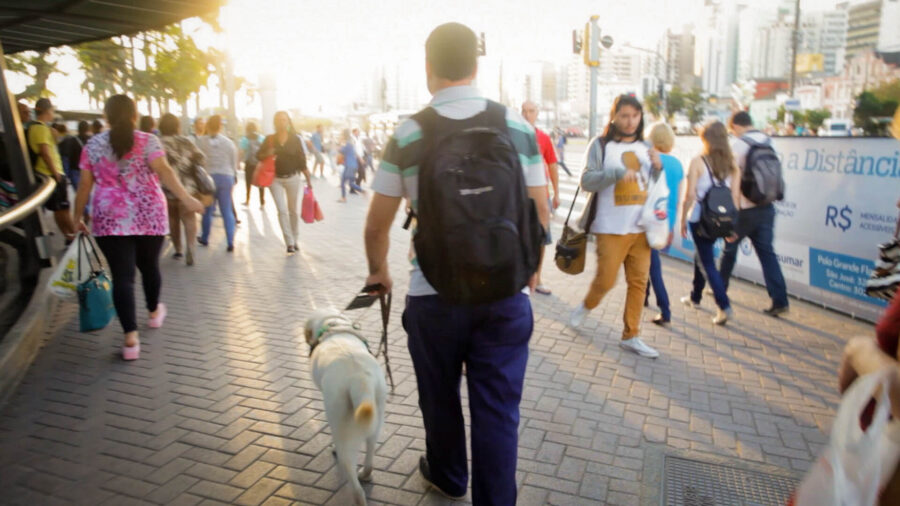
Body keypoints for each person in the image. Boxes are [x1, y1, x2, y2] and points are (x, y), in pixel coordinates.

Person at [363, 22, 549, 505]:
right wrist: (532, 269)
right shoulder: (516, 125)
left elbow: (377, 225)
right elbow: (540, 209)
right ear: (475, 65)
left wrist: (378, 271)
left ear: (428, 68)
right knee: (498, 411)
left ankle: (447, 475)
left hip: (433, 292)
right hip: (506, 292)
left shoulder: (409, 132)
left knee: (439, 396)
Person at [72, 94, 203, 360]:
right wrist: (186, 198)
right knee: (149, 267)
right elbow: (165, 171)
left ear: (106, 117)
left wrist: (78, 217)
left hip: (109, 217)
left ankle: (130, 340)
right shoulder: (147, 140)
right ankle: (154, 312)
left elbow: (84, 185)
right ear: (134, 115)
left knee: (122, 277)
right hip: (149, 215)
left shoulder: (93, 145)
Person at [568, 94, 663, 358]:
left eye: (635, 115)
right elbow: (586, 181)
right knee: (606, 281)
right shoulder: (600, 145)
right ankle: (586, 306)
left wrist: (657, 168)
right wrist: (617, 174)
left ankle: (631, 335)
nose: (630, 121)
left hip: (642, 229)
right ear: (614, 117)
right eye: (624, 115)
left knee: (639, 283)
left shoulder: (646, 146)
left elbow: (653, 186)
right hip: (610, 227)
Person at [719, 111, 790, 316]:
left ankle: (719, 290)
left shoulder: (738, 145)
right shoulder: (768, 141)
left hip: (744, 209)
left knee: (729, 250)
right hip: (767, 207)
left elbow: (730, 178)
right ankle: (780, 300)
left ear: (735, 126)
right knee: (768, 255)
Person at [678, 121, 741, 325]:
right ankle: (695, 296)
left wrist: (682, 218)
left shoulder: (698, 161)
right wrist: (732, 226)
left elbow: (689, 195)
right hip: (722, 220)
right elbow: (735, 199)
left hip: (700, 218)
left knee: (707, 262)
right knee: (702, 255)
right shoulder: (733, 165)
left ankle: (724, 306)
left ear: (706, 139)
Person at [644, 122, 684, 325]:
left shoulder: (650, 159)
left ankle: (665, 308)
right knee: (650, 259)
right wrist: (672, 227)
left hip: (649, 217)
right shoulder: (677, 164)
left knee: (652, 265)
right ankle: (644, 296)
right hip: (665, 220)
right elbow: (677, 199)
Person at [256, 111, 312, 254]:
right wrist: (267, 154)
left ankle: (295, 237)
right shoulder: (269, 139)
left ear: (288, 122)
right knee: (282, 211)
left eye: (284, 120)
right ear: (275, 122)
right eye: (279, 120)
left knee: (292, 210)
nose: (282, 122)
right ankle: (289, 243)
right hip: (275, 179)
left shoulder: (295, 139)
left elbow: (301, 159)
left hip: (293, 178)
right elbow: (258, 156)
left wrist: (308, 178)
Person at [521, 100, 559, 296]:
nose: (528, 115)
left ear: (537, 113)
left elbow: (552, 165)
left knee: (542, 238)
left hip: (541, 197)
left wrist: (557, 193)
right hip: (519, 198)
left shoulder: (543, 138)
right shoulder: (515, 136)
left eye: (531, 111)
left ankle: (538, 276)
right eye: (524, 111)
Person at [27, 98, 77, 243]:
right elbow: (45, 152)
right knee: (63, 208)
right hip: (51, 172)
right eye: (52, 111)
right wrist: (56, 173)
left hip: (48, 172)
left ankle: (68, 236)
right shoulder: (41, 128)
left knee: (58, 208)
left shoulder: (37, 127)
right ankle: (73, 235)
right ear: (47, 111)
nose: (53, 114)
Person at [159, 113, 204, 265]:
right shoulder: (186, 141)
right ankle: (190, 248)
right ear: (176, 126)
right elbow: (201, 158)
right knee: (189, 218)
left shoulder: (158, 143)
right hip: (188, 187)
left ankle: (178, 248)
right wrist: (188, 160)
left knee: (172, 218)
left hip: (167, 187)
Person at [195, 115, 238, 252]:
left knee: (207, 210)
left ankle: (205, 237)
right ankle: (230, 240)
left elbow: (197, 161)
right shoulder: (229, 143)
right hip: (226, 177)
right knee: (226, 210)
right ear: (220, 126)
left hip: (208, 179)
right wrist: (234, 176)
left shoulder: (201, 141)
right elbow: (233, 161)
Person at [239, 122, 265, 207]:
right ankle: (262, 201)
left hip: (249, 163)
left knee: (248, 182)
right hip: (259, 163)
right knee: (261, 182)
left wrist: (238, 162)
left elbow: (242, 152)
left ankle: (247, 200)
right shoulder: (261, 138)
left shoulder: (244, 139)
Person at [338, 129, 364, 203]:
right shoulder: (350, 142)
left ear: (344, 135)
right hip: (352, 165)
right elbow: (354, 152)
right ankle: (362, 191)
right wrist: (360, 159)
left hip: (349, 166)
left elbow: (340, 150)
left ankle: (344, 198)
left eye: (341, 134)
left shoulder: (347, 143)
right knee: (348, 183)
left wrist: (339, 143)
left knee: (345, 182)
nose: (341, 135)